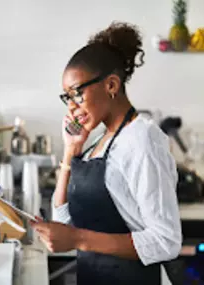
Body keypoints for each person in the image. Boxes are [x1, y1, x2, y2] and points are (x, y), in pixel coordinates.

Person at [31, 21, 182, 285]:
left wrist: (78, 239)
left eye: (77, 94)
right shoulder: (98, 141)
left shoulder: (142, 139)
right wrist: (70, 151)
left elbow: (165, 241)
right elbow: (64, 220)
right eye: (67, 98)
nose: (72, 108)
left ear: (111, 85)